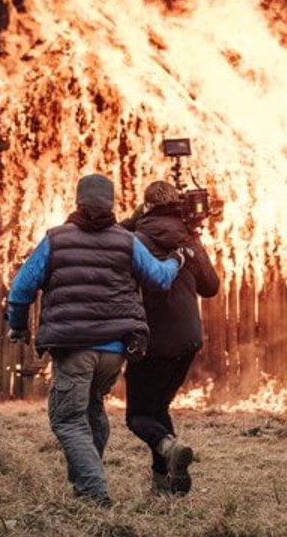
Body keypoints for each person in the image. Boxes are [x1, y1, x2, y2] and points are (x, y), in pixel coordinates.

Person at [5, 173, 185, 506]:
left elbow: (21, 289)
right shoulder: (126, 240)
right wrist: (176, 260)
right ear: (112, 204)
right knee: (91, 409)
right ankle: (84, 482)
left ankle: (94, 492)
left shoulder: (56, 240)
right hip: (115, 351)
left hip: (74, 347)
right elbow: (159, 279)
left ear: (78, 202)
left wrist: (17, 325)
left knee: (67, 420)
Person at [120, 181, 219, 495]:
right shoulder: (187, 240)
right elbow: (211, 287)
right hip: (188, 340)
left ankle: (168, 449)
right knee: (158, 408)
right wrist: (195, 244)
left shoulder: (134, 240)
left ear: (145, 206)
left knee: (137, 416)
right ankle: (166, 483)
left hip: (151, 340)